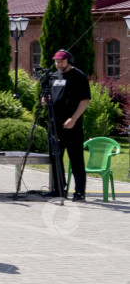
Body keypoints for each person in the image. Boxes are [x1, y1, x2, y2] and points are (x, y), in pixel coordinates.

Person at [45, 50, 91, 201]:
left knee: (76, 159)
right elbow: (51, 96)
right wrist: (45, 100)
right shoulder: (54, 76)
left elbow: (85, 101)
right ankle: (59, 189)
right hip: (55, 125)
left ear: (69, 61)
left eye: (61, 62)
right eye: (57, 62)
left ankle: (79, 192)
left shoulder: (79, 76)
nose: (58, 64)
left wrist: (73, 119)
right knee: (55, 158)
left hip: (72, 125)